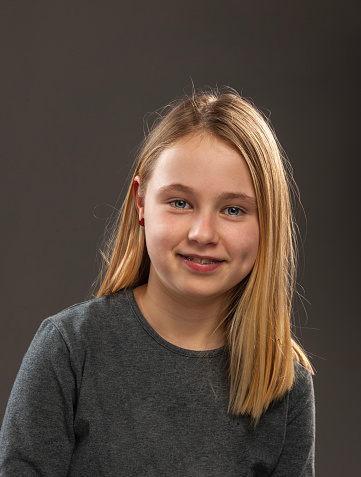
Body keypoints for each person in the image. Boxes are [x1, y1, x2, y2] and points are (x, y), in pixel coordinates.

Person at [0, 88, 315, 476]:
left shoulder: (283, 381)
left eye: (233, 210)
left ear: (268, 223)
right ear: (141, 202)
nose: (203, 233)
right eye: (180, 202)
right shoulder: (69, 349)